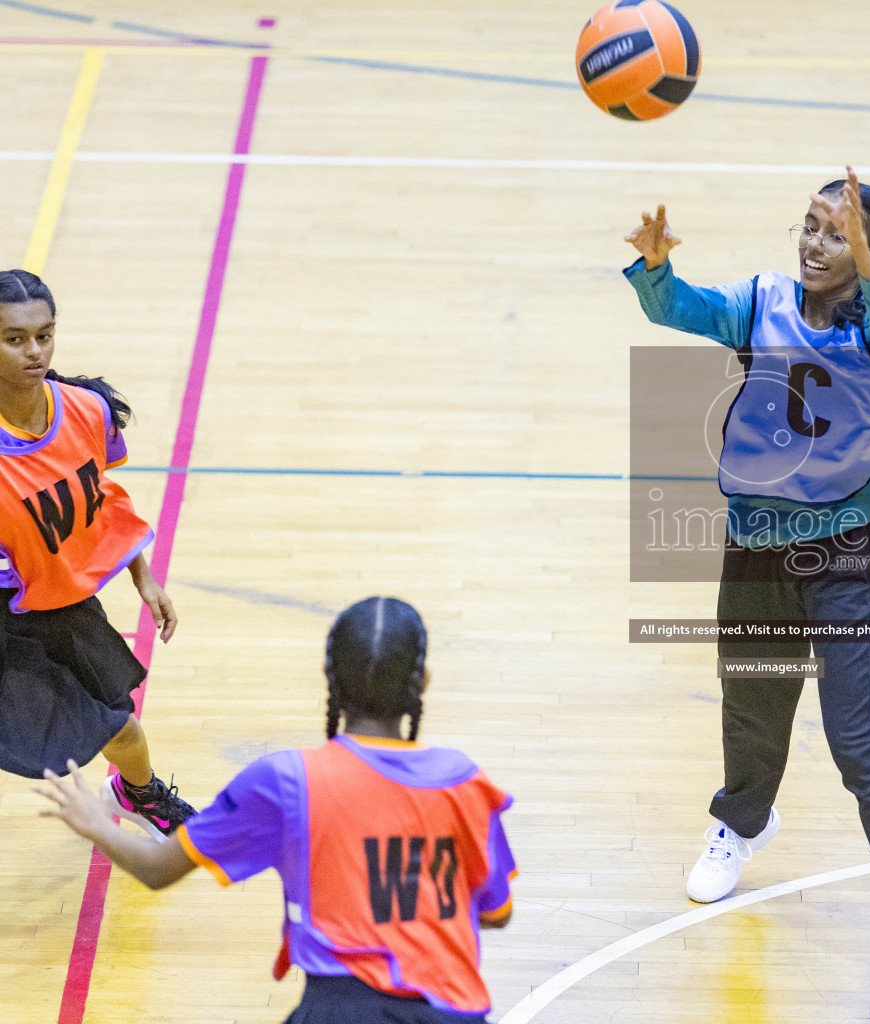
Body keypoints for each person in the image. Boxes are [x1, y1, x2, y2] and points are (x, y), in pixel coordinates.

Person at [623, 170, 870, 1024]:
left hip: (843, 551)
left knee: (862, 744)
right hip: (754, 540)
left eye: (836, 232)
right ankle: (743, 819)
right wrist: (658, 271)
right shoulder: (761, 300)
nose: (816, 244)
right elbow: (680, 311)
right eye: (809, 226)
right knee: (753, 694)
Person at [36, 597, 517, 1024]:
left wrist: (98, 825)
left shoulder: (286, 780)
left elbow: (160, 869)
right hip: (453, 1009)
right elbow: (498, 913)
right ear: (424, 681)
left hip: (337, 1010)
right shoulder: (463, 780)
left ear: (331, 678)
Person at [0, 269, 193, 834]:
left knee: (121, 727)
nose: (33, 351)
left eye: (44, 334)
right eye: (13, 338)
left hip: (56, 608)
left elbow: (104, 500)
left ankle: (140, 794)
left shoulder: (87, 411)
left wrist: (145, 578)